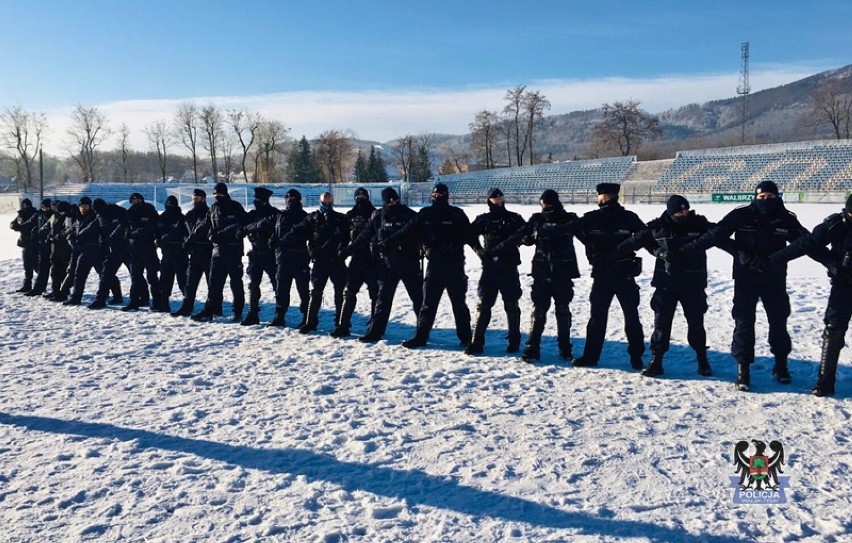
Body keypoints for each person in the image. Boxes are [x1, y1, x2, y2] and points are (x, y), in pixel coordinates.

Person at [680, 181, 809, 391]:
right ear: (754, 197)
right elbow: (716, 236)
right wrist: (740, 254)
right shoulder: (741, 215)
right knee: (743, 322)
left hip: (774, 277)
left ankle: (781, 365)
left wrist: (775, 259)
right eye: (761, 197)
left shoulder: (786, 218)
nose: (765, 201)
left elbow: (804, 243)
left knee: (778, 321)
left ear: (777, 198)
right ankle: (743, 369)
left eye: (769, 197)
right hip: (745, 277)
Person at [617, 195, 727, 377]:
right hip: (666, 284)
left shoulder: (699, 224)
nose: (683, 214)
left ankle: (702, 360)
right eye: (678, 211)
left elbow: (718, 235)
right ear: (670, 211)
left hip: (693, 284)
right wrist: (659, 252)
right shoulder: (657, 226)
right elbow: (637, 242)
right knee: (661, 324)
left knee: (696, 324)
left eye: (685, 210)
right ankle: (656, 360)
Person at [766, 194, 852, 397]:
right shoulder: (836, 225)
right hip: (844, 285)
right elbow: (807, 243)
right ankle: (825, 382)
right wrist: (774, 260)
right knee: (833, 330)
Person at [571, 183, 647, 370]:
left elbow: (573, 228)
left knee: (598, 318)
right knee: (631, 317)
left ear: (603, 197)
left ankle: (591, 357)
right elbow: (643, 235)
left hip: (606, 275)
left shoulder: (591, 218)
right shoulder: (629, 217)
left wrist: (606, 251)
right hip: (623, 275)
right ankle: (636, 358)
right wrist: (591, 246)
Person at [346, 187, 423, 343]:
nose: (393, 203)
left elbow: (414, 232)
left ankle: (422, 332)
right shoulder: (377, 216)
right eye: (390, 201)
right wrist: (348, 249)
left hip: (409, 263)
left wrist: (389, 242)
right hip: (387, 264)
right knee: (382, 300)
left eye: (395, 200)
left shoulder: (409, 215)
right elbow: (364, 235)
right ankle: (375, 331)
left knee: (418, 299)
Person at [402, 182, 473, 349]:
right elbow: (412, 232)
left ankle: (466, 338)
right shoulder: (425, 214)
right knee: (427, 304)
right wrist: (426, 247)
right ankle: (420, 337)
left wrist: (452, 246)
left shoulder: (456, 214)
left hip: (454, 265)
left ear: (446, 196)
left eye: (441, 195)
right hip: (434, 266)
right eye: (435, 195)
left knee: (459, 304)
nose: (437, 197)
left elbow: (468, 234)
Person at [516, 189, 582, 362]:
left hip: (563, 271)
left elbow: (581, 232)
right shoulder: (536, 219)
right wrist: (531, 234)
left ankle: (565, 348)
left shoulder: (569, 218)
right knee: (538, 310)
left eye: (547, 203)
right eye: (542, 203)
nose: (544, 206)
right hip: (541, 271)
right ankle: (532, 347)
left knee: (563, 310)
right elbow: (525, 239)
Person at [465, 187, 528, 355]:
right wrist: (479, 250)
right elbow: (469, 235)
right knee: (483, 305)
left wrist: (524, 238)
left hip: (509, 267)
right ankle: (476, 342)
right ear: (489, 201)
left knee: (512, 305)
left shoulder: (514, 218)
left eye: (501, 197)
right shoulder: (484, 219)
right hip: (490, 268)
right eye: (495, 198)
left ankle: (514, 341)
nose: (499, 200)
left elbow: (528, 237)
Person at [280, 191, 349, 334]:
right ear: (320, 202)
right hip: (319, 261)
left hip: (336, 261)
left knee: (339, 293)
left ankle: (341, 324)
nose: (327, 204)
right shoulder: (313, 217)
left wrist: (341, 248)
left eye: (329, 201)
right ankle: (310, 322)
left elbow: (345, 237)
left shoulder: (340, 218)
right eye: (325, 202)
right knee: (316, 292)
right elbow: (297, 230)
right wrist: (281, 240)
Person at [192, 183, 247, 322]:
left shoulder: (236, 207)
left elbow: (242, 224)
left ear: (225, 194)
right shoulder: (213, 208)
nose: (217, 197)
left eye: (220, 195)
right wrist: (191, 239)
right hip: (217, 252)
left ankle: (237, 312)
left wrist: (222, 233)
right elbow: (204, 225)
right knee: (214, 284)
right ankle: (209, 311)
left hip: (233, 251)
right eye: (215, 195)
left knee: (236, 283)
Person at [332, 187, 379, 338]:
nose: (360, 198)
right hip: (356, 260)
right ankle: (343, 325)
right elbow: (343, 236)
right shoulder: (350, 215)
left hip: (373, 260)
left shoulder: (376, 214)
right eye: (358, 196)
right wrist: (341, 250)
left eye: (363, 195)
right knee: (349, 292)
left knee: (375, 294)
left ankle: (375, 325)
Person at [265, 188, 309, 327]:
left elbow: (306, 235)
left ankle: (307, 317)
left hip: (299, 257)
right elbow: (274, 231)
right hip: (283, 258)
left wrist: (284, 240)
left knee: (303, 290)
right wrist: (272, 239)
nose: (290, 200)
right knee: (281, 289)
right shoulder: (280, 215)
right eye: (288, 198)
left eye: (293, 198)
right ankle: (279, 316)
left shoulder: (305, 216)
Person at [237, 187, 279, 325]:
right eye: (255, 199)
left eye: (258, 200)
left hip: (270, 254)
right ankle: (252, 314)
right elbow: (241, 225)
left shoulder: (274, 214)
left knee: (277, 284)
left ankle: (279, 314)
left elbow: (264, 224)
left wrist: (246, 228)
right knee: (253, 285)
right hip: (255, 253)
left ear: (265, 201)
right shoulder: (252, 214)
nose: (255, 202)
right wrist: (240, 230)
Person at [172, 189, 212, 317]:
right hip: (194, 252)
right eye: (193, 199)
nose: (195, 201)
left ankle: (214, 307)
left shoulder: (209, 213)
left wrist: (191, 240)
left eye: (198, 198)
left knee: (211, 282)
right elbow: (183, 231)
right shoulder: (190, 214)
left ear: (204, 199)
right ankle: (187, 307)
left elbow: (206, 230)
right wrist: (186, 241)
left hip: (207, 250)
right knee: (190, 282)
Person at [86, 198, 129, 310]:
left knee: (135, 274)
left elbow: (124, 224)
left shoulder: (118, 211)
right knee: (106, 273)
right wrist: (78, 235)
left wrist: (112, 236)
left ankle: (143, 297)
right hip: (115, 249)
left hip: (127, 247)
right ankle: (100, 300)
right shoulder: (100, 216)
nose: (97, 213)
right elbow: (92, 228)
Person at [156, 195, 188, 312]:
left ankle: (187, 303)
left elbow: (187, 234)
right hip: (167, 254)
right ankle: (163, 304)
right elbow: (156, 233)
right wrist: (158, 241)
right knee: (165, 281)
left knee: (183, 281)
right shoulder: (161, 218)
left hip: (180, 254)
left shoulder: (182, 218)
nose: (170, 208)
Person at [43, 201, 73, 302]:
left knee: (62, 272)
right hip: (55, 247)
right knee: (54, 272)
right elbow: (51, 228)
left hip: (64, 248)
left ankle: (63, 293)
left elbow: (69, 230)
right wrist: (48, 236)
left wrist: (58, 236)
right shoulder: (55, 216)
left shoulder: (68, 217)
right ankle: (56, 291)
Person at [9, 198, 38, 293]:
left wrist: (21, 227)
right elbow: (12, 224)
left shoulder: (35, 214)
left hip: (34, 243)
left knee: (36, 266)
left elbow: (31, 225)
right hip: (25, 243)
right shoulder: (20, 214)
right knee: (27, 266)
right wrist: (17, 227)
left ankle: (40, 285)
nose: (26, 207)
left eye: (28, 205)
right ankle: (27, 285)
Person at [26, 199, 54, 297]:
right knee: (42, 267)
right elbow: (31, 223)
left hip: (53, 244)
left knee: (57, 269)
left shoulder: (53, 215)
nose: (44, 209)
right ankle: (39, 288)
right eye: (43, 207)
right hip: (42, 244)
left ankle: (60, 289)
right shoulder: (39, 214)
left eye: (46, 207)